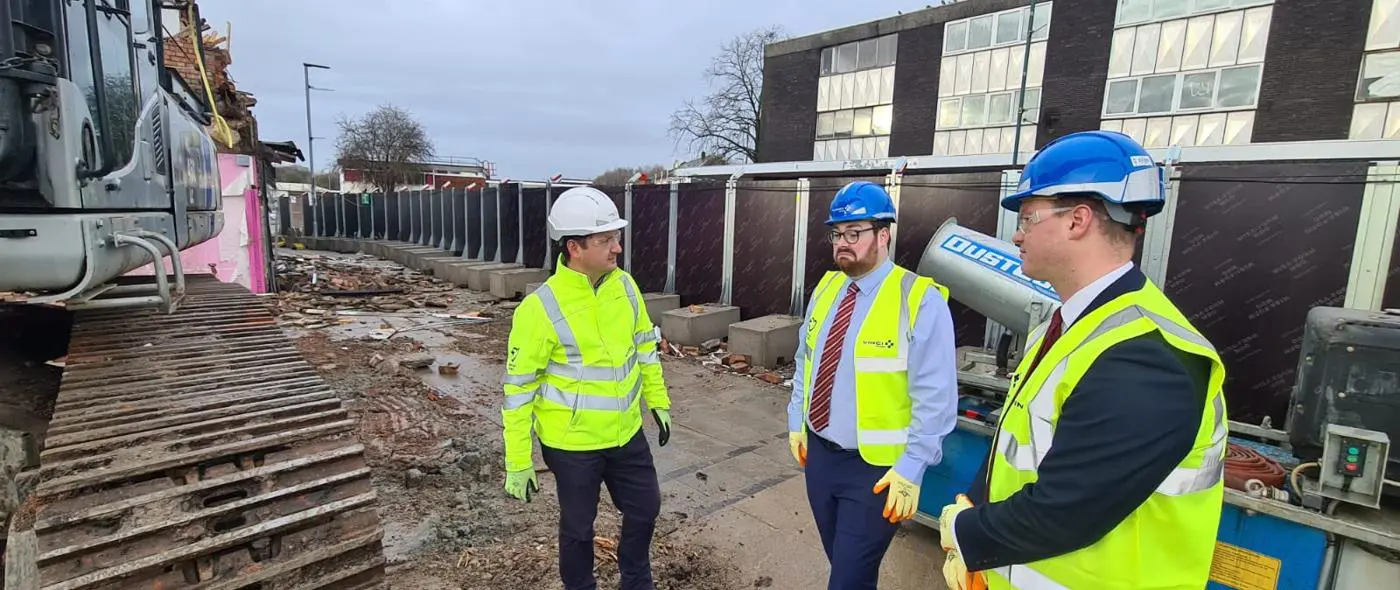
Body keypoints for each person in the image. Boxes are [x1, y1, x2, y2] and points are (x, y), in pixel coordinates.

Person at [938, 130, 1228, 590]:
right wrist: (977, 515)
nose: (1016, 235)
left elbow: (1065, 512)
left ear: (1077, 221)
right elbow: (1014, 444)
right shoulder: (1071, 325)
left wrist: (963, 533)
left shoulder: (1147, 356)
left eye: (1029, 219)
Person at [786, 180, 960, 590]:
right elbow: (805, 361)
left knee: (846, 580)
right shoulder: (827, 289)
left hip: (877, 472)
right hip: (821, 460)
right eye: (837, 234)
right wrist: (797, 421)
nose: (842, 243)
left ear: (884, 235)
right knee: (847, 569)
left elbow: (936, 398)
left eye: (854, 233)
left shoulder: (919, 300)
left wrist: (912, 467)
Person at [500, 186, 673, 590]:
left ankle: (636, 580)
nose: (617, 248)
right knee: (578, 529)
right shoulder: (539, 308)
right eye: (606, 240)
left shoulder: (625, 287)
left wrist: (658, 402)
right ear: (575, 247)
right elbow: (518, 390)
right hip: (572, 443)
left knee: (645, 510)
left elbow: (645, 349)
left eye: (616, 237)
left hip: (626, 433)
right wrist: (517, 460)